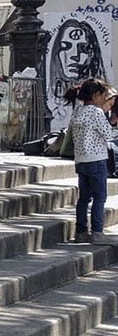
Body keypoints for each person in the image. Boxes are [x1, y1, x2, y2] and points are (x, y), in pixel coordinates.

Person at [67, 79, 117, 243]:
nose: (105, 99)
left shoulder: (78, 112)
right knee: (99, 197)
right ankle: (97, 231)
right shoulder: (96, 113)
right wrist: (113, 121)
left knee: (84, 198)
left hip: (81, 161)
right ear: (96, 96)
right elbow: (108, 134)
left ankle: (81, 232)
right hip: (96, 160)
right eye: (103, 95)